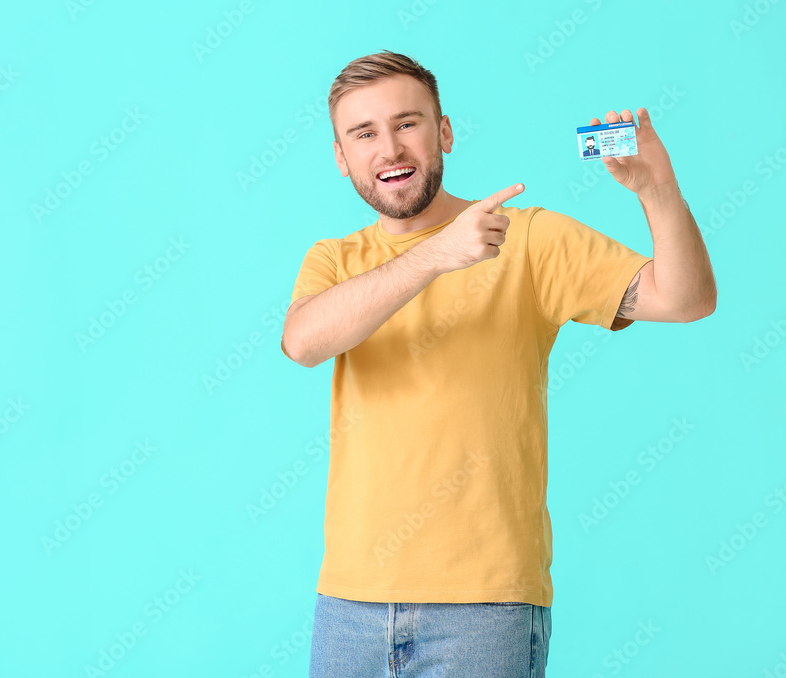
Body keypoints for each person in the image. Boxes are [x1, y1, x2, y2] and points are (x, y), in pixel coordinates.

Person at [280, 49, 716, 678]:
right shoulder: (333, 260)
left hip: (486, 607)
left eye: (408, 124)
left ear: (445, 132)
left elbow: (687, 298)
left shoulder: (530, 238)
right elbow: (304, 343)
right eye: (364, 133)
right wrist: (437, 254)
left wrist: (658, 190)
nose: (390, 149)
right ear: (342, 158)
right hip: (350, 603)